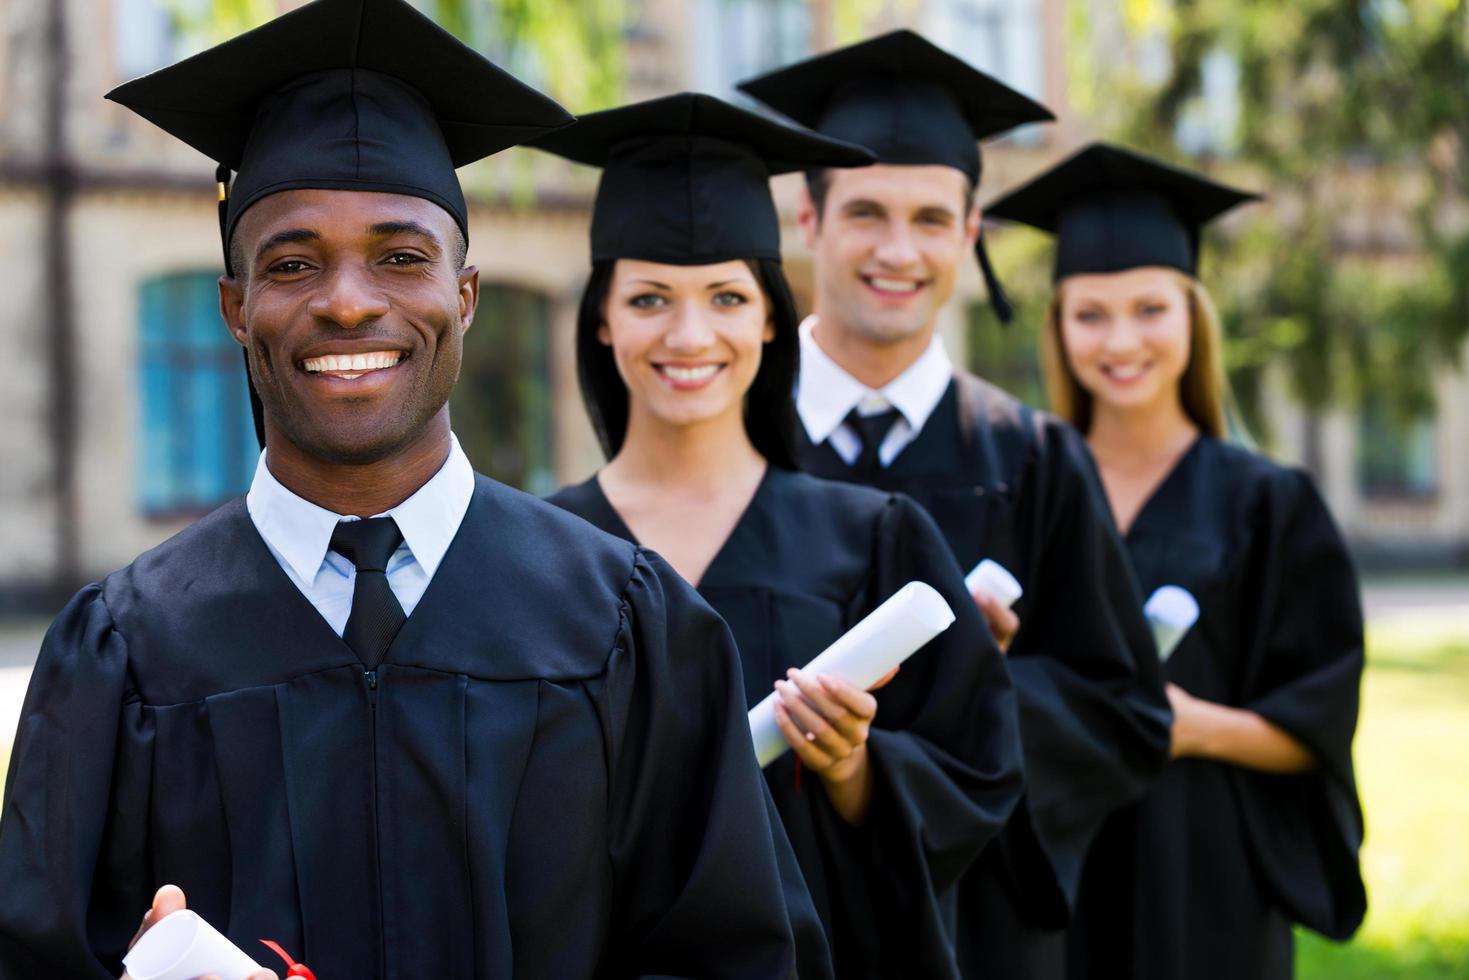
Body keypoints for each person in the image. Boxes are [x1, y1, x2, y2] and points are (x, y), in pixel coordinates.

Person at [0, 2, 810, 977]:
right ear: (236, 307)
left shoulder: (629, 625)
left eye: (399, 256)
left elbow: (733, 952)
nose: (347, 298)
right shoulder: (121, 651)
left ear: (462, 295)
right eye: (293, 262)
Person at [536, 92, 1026, 979]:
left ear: (768, 315)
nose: (690, 335)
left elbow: (980, 772)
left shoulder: (875, 538)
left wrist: (854, 769)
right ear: (602, 318)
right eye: (649, 298)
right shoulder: (538, 553)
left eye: (725, 296)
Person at [738, 32, 1173, 979]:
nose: (899, 251)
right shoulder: (727, 441)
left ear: (970, 233)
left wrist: (973, 684)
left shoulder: (1034, 459)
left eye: (931, 219)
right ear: (807, 221)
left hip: (978, 929)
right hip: (766, 910)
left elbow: (1125, 715)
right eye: (866, 213)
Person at [986, 142, 1367, 979]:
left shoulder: (1266, 501)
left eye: (1149, 309)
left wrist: (1191, 727)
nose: (1120, 340)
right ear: (1057, 326)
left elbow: (1317, 721)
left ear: (1192, 316)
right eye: (1089, 313)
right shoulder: (1020, 489)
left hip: (1203, 868)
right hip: (1050, 861)